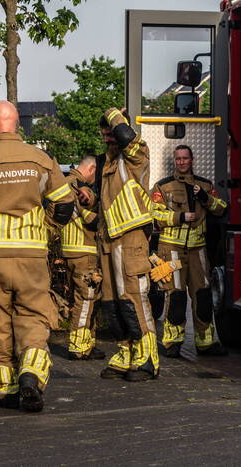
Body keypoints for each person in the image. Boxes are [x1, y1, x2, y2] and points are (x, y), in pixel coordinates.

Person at [0, 101, 75, 412]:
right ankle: (31, 373)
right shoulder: (42, 159)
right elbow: (64, 204)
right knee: (33, 316)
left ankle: (6, 388)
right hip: (31, 255)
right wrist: (46, 230)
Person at [96, 108, 159, 381]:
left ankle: (147, 359)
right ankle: (126, 353)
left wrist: (112, 113)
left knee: (134, 299)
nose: (107, 139)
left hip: (131, 237)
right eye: (104, 135)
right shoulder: (107, 163)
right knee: (113, 303)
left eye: (110, 134)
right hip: (109, 239)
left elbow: (124, 135)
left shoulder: (136, 155)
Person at [151, 144, 228, 357]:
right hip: (171, 249)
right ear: (174, 161)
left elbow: (221, 208)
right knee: (176, 297)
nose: (181, 162)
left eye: (185, 158)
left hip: (198, 250)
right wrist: (180, 217)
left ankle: (206, 342)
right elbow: (154, 215)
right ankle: (172, 344)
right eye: (178, 159)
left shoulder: (205, 185)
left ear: (192, 160)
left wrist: (205, 197)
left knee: (203, 296)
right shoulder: (162, 186)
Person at [59, 155, 105, 361]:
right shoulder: (76, 185)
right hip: (84, 251)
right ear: (92, 169)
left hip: (72, 250)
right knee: (85, 300)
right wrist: (106, 219)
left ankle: (87, 343)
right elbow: (87, 216)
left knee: (88, 299)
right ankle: (78, 347)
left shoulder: (66, 182)